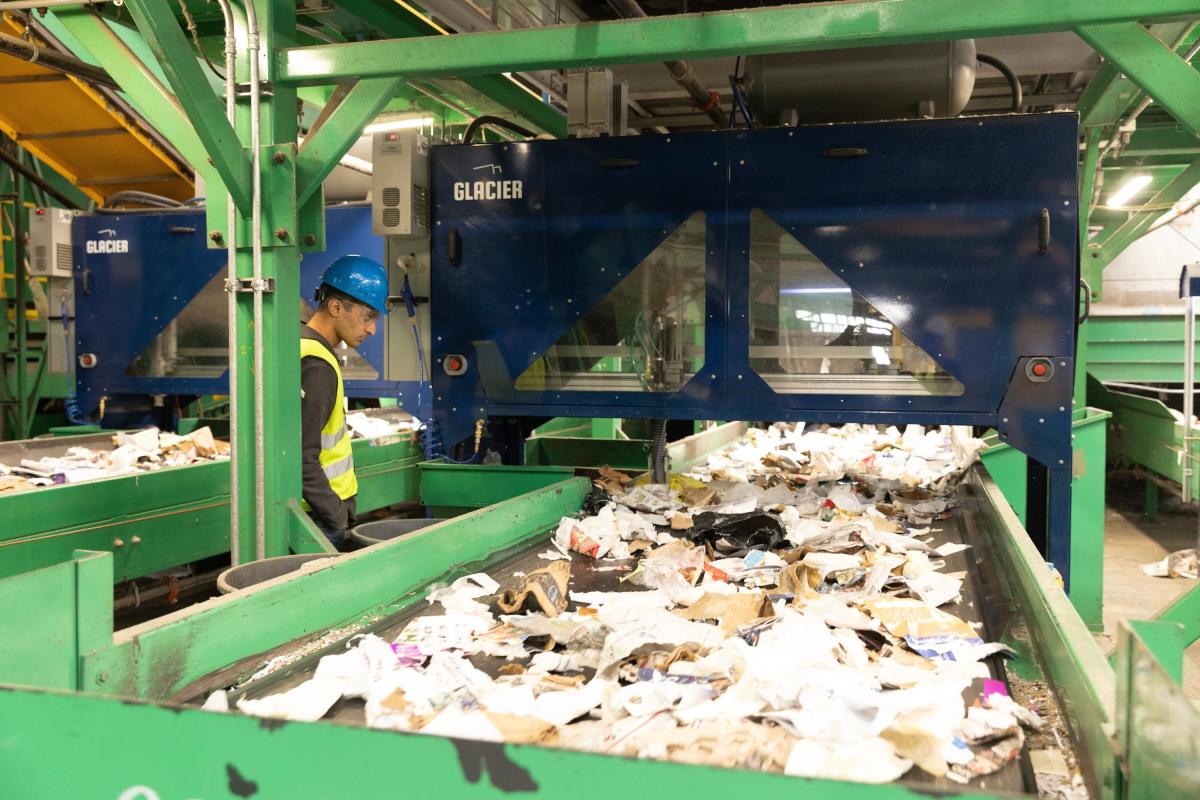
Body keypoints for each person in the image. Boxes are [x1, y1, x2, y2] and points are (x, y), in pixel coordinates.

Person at [300, 255, 388, 548]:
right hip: (319, 517)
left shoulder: (302, 345)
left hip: (318, 512)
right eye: (368, 316)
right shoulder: (317, 365)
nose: (372, 329)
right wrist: (336, 515)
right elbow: (301, 455)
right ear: (336, 307)